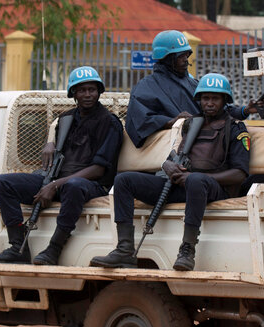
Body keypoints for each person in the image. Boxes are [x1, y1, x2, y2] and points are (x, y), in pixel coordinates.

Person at [90, 73, 250, 271]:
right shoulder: (191, 125)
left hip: (212, 188)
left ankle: (187, 250)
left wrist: (195, 177)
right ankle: (124, 250)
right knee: (124, 180)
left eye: (215, 98)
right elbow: (175, 156)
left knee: (196, 181)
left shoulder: (236, 130)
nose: (209, 103)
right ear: (199, 100)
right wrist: (167, 165)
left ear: (225, 101)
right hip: (181, 184)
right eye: (205, 98)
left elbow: (239, 174)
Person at [0, 66, 123, 266]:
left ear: (99, 91)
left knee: (74, 185)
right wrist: (50, 143)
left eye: (92, 89)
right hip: (57, 179)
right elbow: (56, 150)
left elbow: (99, 169)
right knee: (3, 182)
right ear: (73, 93)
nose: (87, 94)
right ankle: (17, 246)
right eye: (81, 90)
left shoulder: (109, 122)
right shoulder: (66, 118)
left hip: (91, 185)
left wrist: (54, 185)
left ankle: (54, 249)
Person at [125, 30, 258, 148]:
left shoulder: (193, 83)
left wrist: (244, 110)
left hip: (208, 143)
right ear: (167, 58)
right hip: (172, 152)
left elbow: (219, 111)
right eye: (181, 56)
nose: (186, 60)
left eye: (187, 55)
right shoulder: (146, 87)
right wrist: (174, 121)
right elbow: (140, 123)